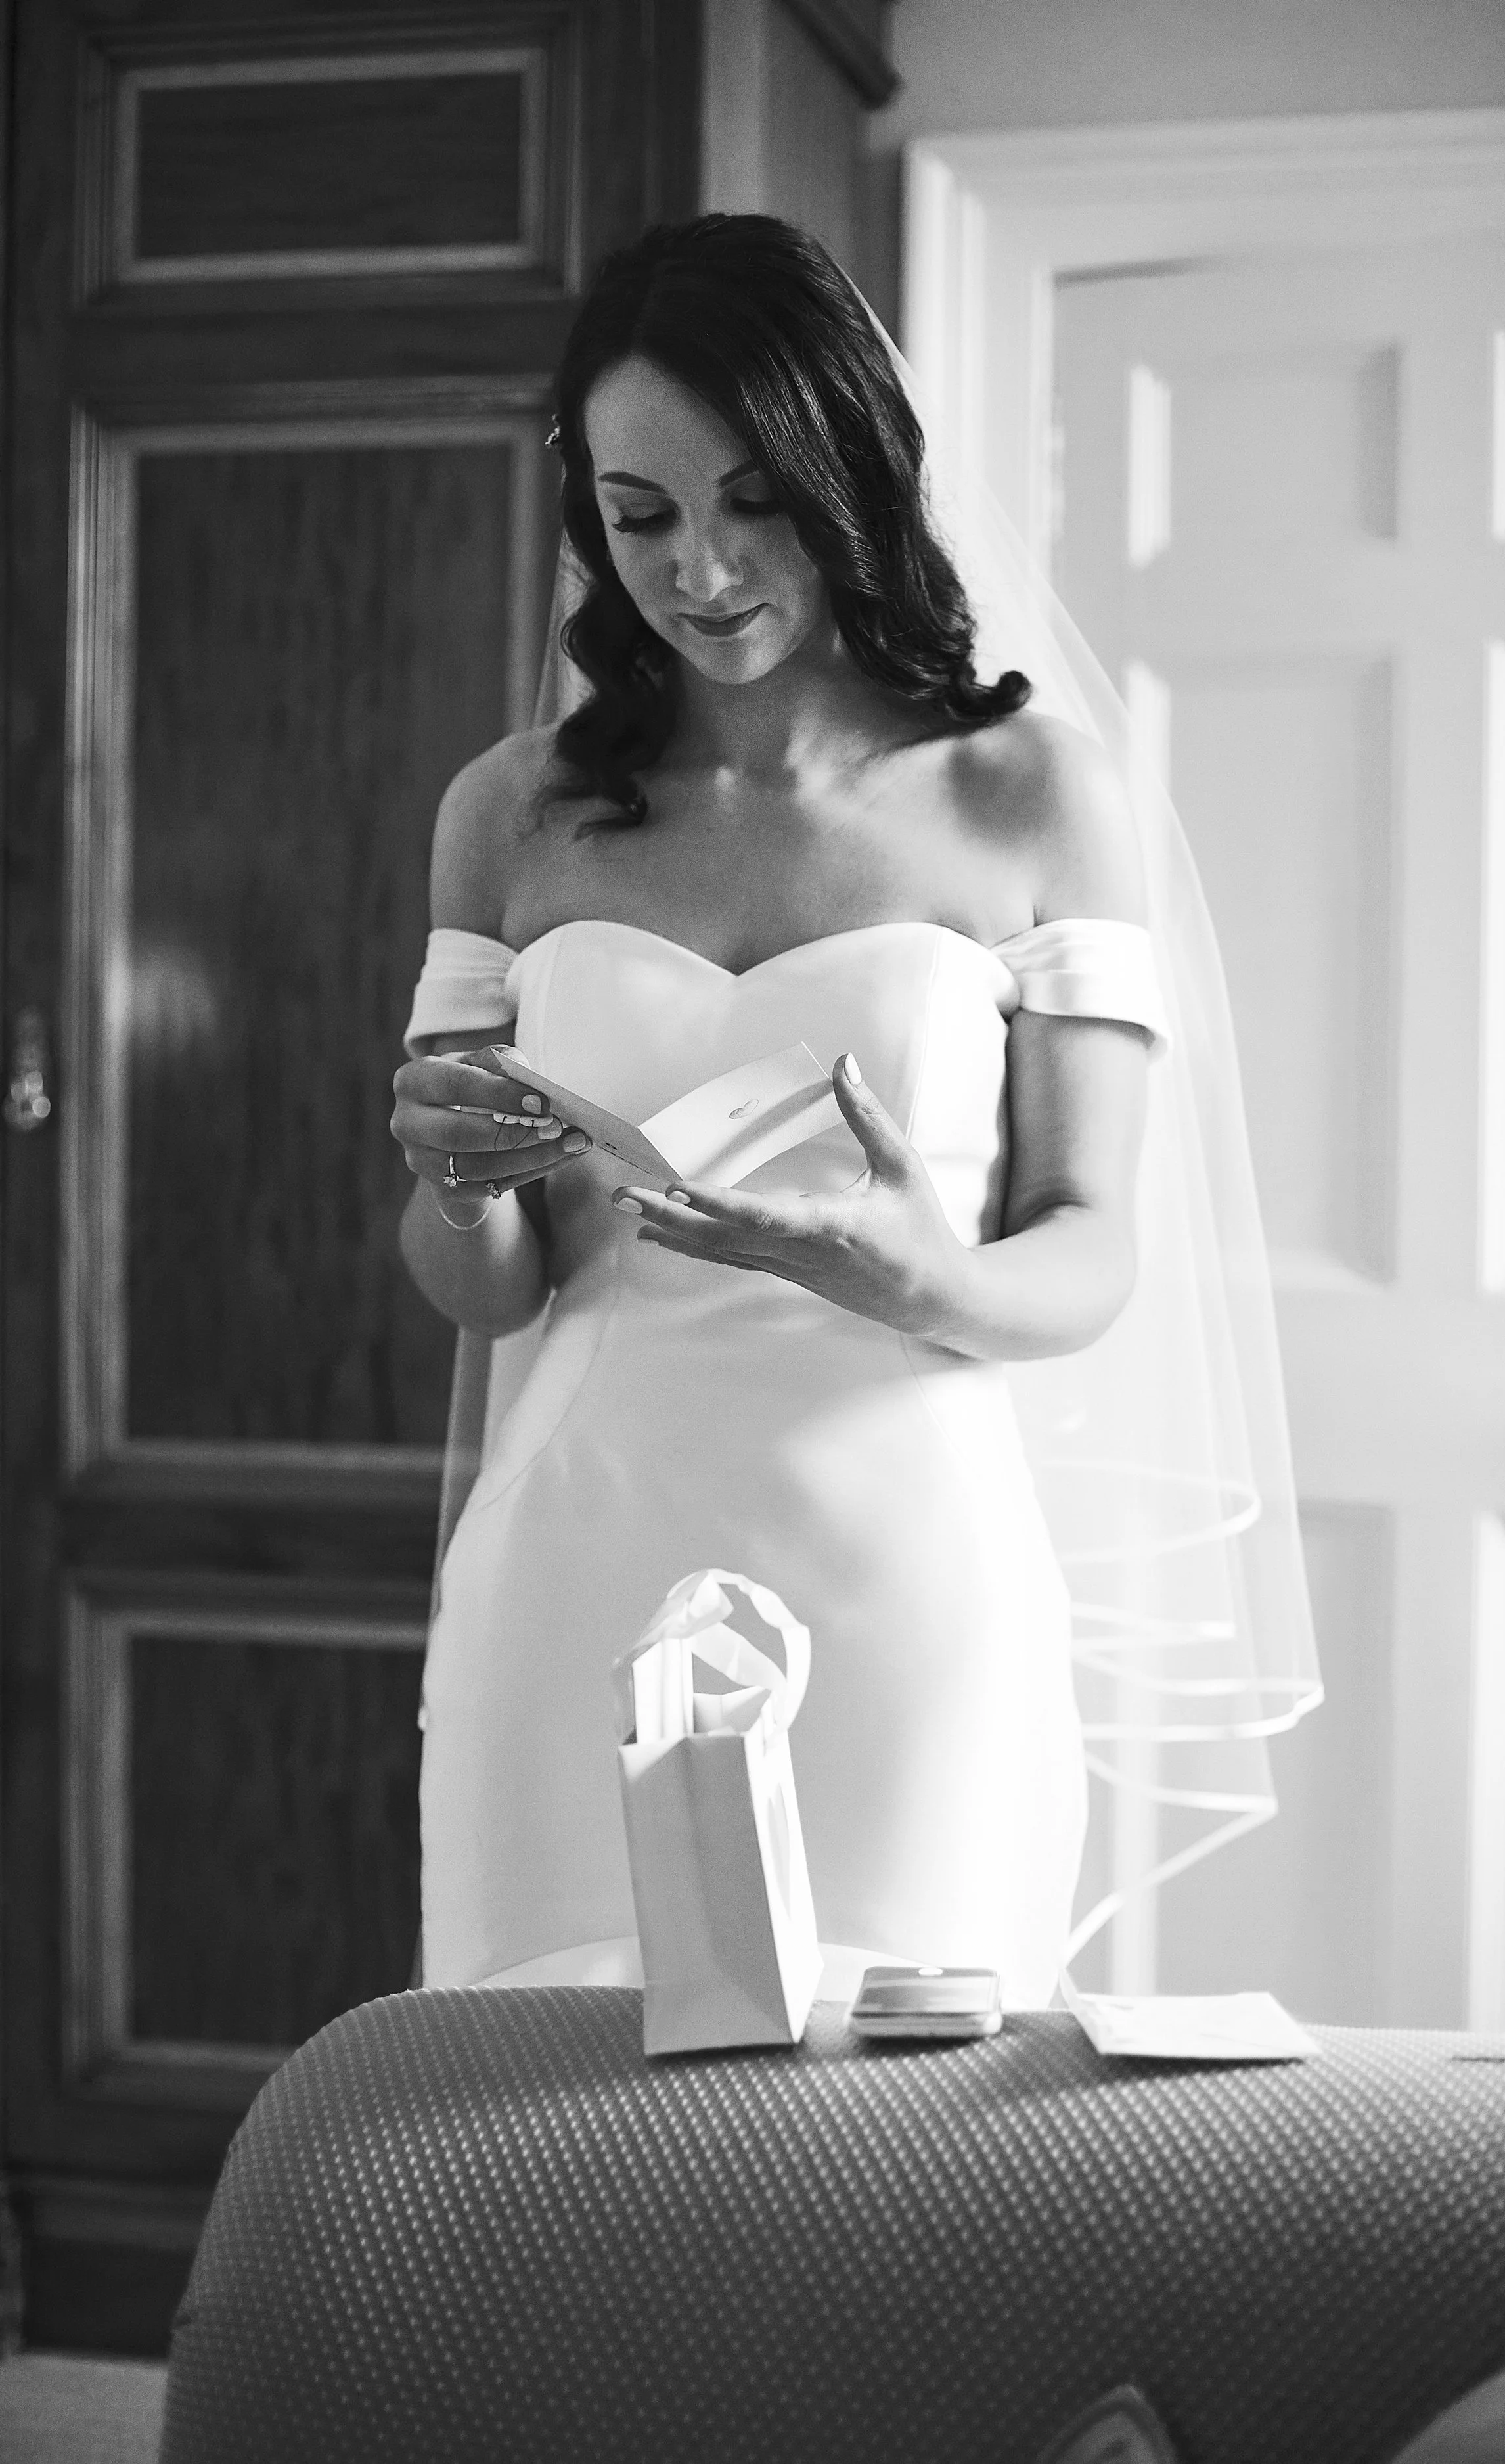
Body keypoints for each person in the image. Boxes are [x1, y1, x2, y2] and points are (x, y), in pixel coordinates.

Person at [392, 214, 1297, 2011]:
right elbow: (483, 1288)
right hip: (571, 1557)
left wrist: (903, 1264)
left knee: (896, 2150)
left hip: (907, 1570)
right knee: (540, 2125)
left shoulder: (1030, 790)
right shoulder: (511, 813)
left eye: (757, 501)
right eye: (641, 514)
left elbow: (1091, 1250)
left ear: (850, 477)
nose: (702, 568)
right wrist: (456, 1187)